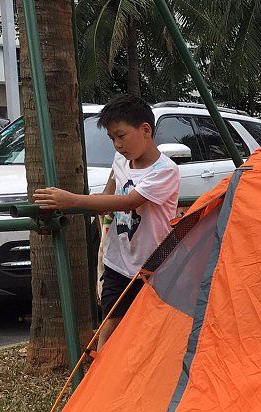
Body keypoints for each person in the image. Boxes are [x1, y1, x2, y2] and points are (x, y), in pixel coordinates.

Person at [34, 94, 180, 349]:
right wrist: (73, 208)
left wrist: (72, 200)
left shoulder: (165, 171)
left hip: (152, 264)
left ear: (145, 129)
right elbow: (108, 196)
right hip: (117, 260)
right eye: (112, 138)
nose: (117, 144)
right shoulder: (121, 160)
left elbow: (129, 201)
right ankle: (100, 376)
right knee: (110, 322)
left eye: (121, 136)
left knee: (150, 327)